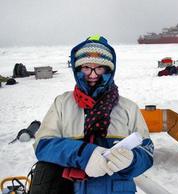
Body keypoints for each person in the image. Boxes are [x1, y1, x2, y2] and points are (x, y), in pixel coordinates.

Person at [33, 35, 154, 194]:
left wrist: (132, 160)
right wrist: (84, 154)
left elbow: (148, 150)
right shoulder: (62, 103)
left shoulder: (128, 108)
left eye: (99, 67)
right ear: (77, 69)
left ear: (109, 69)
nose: (92, 74)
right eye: (86, 67)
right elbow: (43, 145)